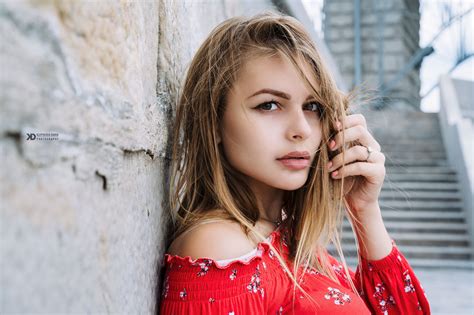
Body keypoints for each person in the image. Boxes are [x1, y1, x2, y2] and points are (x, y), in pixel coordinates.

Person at [159, 11, 431, 314]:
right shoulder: (220, 249)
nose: (301, 129)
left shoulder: (284, 235)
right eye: (269, 105)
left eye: (312, 106)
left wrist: (364, 209)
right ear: (214, 122)